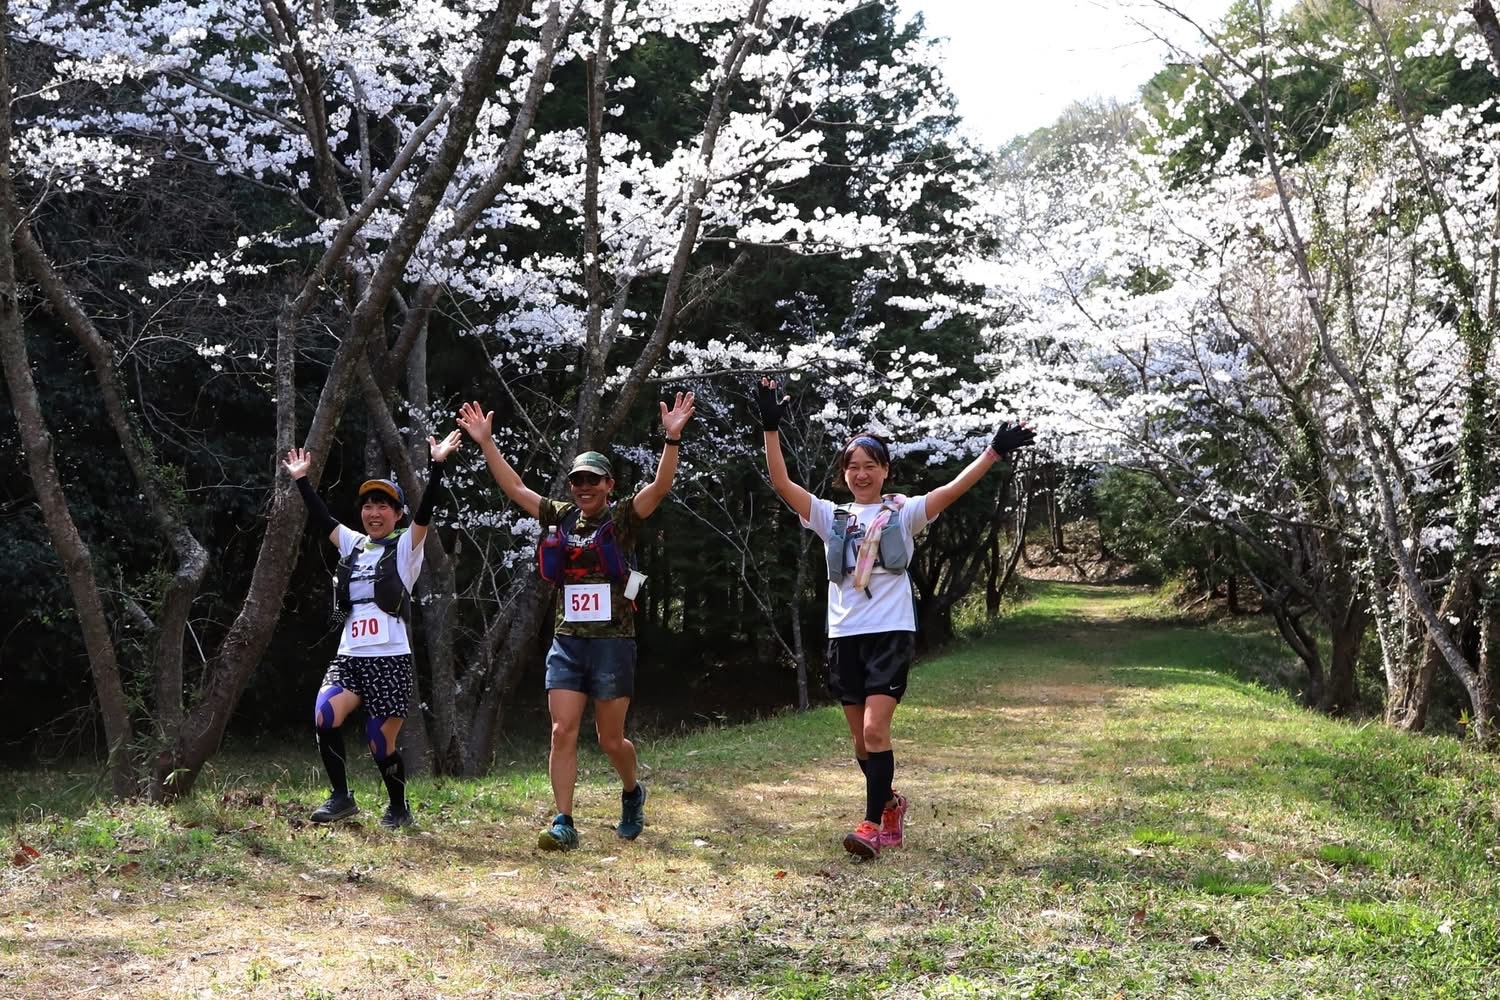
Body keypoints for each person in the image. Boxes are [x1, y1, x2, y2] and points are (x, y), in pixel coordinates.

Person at [756, 378, 1034, 858]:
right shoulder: (829, 516)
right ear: (844, 474)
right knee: (861, 743)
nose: (861, 474)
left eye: (871, 466)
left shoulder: (904, 514)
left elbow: (951, 490)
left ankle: (869, 825)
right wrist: (770, 428)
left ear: (886, 470)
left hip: (890, 633)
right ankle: (890, 805)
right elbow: (782, 484)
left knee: (874, 731)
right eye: (853, 467)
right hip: (845, 635)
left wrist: (993, 452)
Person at [456, 393, 695, 851]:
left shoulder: (622, 517)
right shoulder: (561, 517)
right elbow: (516, 489)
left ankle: (632, 792)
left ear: (608, 484)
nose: (583, 487)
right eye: (576, 481)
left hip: (613, 643)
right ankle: (564, 821)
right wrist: (486, 443)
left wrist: (671, 438)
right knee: (561, 731)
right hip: (567, 641)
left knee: (611, 740)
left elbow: (660, 488)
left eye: (592, 480)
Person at [282, 430, 463, 829]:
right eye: (368, 505)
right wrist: (301, 480)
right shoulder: (353, 544)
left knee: (380, 743)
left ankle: (398, 807)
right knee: (324, 715)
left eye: (383, 506)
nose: (374, 512)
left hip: (390, 658)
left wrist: (437, 466)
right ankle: (341, 797)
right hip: (350, 656)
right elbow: (323, 519)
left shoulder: (406, 548)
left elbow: (425, 513)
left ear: (396, 514)